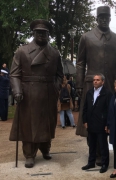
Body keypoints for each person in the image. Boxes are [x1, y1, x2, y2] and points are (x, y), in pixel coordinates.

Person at [9, 19, 63, 168]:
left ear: (48, 35)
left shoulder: (54, 53)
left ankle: (45, 149)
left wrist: (55, 88)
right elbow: (14, 74)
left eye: (44, 33)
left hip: (48, 93)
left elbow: (60, 74)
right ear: (33, 33)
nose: (41, 35)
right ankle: (29, 154)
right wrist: (17, 91)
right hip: (28, 93)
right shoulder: (22, 51)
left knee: (47, 124)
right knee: (29, 125)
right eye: (38, 32)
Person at [75, 5, 116, 137]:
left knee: (108, 113)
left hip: (110, 83)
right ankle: (94, 148)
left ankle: (102, 146)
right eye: (101, 18)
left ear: (110, 19)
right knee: (92, 113)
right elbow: (80, 63)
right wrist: (79, 84)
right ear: (96, 19)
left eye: (107, 18)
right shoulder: (86, 37)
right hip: (91, 83)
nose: (104, 20)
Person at [81, 74, 112, 173]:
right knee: (92, 145)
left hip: (102, 124)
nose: (95, 81)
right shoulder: (89, 92)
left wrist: (108, 124)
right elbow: (85, 108)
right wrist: (85, 120)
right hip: (91, 123)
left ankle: (104, 164)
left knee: (103, 145)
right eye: (94, 80)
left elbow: (109, 110)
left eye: (97, 80)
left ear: (102, 82)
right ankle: (91, 162)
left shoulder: (107, 93)